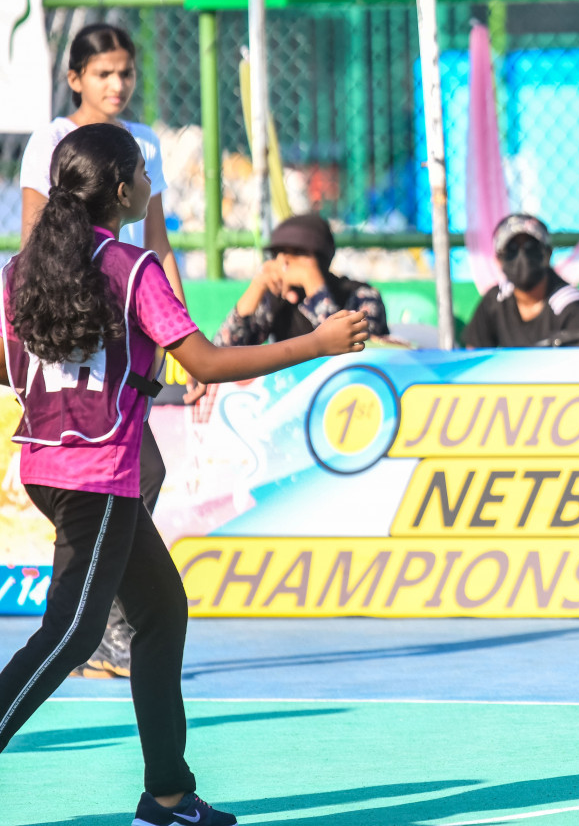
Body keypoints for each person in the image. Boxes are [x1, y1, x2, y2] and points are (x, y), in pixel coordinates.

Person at [0, 124, 367, 824]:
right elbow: (202, 362)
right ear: (121, 189)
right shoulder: (131, 269)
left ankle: (168, 794)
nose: (150, 184)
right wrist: (314, 344)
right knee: (71, 634)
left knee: (161, 614)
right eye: (142, 172)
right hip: (98, 474)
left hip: (51, 463)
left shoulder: (22, 271)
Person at [19, 23, 181, 680]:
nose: (118, 85)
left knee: (134, 478)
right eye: (104, 73)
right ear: (76, 78)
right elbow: (37, 240)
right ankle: (94, 623)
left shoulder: (143, 148)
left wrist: (177, 328)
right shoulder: (54, 142)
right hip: (78, 325)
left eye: (127, 74)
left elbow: (159, 244)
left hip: (132, 320)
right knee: (120, 477)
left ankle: (92, 624)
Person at [213, 213, 388, 347]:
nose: (283, 261)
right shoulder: (278, 299)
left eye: (296, 253)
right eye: (278, 253)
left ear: (321, 258)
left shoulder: (362, 296)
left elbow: (347, 353)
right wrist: (255, 290)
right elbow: (221, 354)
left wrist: (314, 285)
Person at [461, 213, 579, 348]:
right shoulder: (495, 300)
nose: (522, 257)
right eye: (511, 250)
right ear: (498, 259)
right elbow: (474, 357)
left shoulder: (573, 308)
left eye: (531, 248)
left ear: (548, 253)